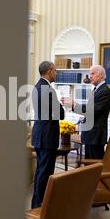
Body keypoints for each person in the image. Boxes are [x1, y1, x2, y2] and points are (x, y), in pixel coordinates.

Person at [31, 61, 65, 209]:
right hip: (46, 137)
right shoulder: (47, 89)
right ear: (49, 71)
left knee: (41, 171)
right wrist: (60, 105)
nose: (56, 73)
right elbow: (61, 114)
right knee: (45, 173)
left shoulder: (37, 86)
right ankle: (40, 205)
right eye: (55, 71)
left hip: (40, 135)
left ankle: (36, 203)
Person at [63, 65, 110, 159]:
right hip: (91, 135)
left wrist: (74, 105)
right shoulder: (97, 89)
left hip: (95, 136)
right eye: (90, 74)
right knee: (89, 166)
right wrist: (74, 104)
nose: (90, 76)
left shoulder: (105, 91)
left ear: (101, 75)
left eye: (93, 73)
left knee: (93, 167)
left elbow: (92, 111)